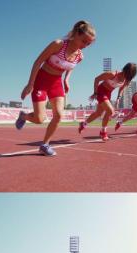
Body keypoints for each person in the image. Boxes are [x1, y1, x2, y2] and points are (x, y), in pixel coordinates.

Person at [15, 20, 96, 156]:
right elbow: (38, 62)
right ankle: (23, 116)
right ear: (76, 34)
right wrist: (30, 84)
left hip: (56, 83)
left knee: (59, 115)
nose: (85, 46)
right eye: (84, 41)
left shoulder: (80, 56)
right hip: (42, 79)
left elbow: (70, 67)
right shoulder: (58, 44)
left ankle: (45, 145)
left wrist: (67, 79)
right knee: (40, 119)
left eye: (88, 44)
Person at [78, 63, 137, 141]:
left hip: (108, 94)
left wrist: (118, 98)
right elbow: (97, 79)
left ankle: (84, 123)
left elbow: (121, 89)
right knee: (110, 111)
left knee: (98, 113)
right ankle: (103, 132)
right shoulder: (112, 74)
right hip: (101, 91)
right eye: (128, 74)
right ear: (125, 70)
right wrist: (95, 93)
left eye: (130, 76)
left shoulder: (127, 80)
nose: (127, 77)